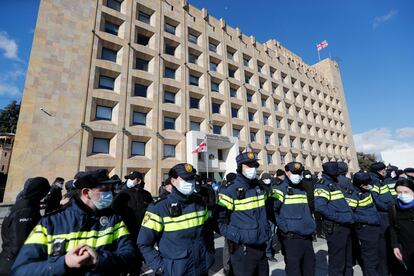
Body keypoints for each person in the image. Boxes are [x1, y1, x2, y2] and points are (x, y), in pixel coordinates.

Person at [11, 169, 136, 275]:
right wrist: (63, 263)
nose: (110, 194)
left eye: (111, 189)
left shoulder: (114, 220)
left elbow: (130, 257)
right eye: (105, 190)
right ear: (86, 193)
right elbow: (20, 270)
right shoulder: (50, 223)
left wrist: (99, 259)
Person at [137, 163, 215, 275]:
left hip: (201, 269)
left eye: (192, 178)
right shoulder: (159, 207)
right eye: (185, 179)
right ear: (173, 181)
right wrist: (161, 268)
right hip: (175, 271)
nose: (190, 182)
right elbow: (144, 243)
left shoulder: (200, 203)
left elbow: (208, 232)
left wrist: (209, 254)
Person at [216, 152, 271, 276]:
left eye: (254, 165)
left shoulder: (259, 188)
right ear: (240, 167)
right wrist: (236, 236)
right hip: (243, 250)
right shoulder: (229, 190)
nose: (253, 169)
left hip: (261, 247)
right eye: (249, 165)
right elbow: (218, 221)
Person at [272, 162, 316, 276]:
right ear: (286, 172)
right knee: (294, 271)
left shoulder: (303, 188)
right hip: (291, 238)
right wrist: (285, 228)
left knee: (309, 269)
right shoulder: (279, 189)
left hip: (307, 236)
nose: (297, 175)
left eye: (299, 172)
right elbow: (272, 211)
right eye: (294, 172)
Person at [0, 177, 50, 275]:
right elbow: (18, 242)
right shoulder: (25, 210)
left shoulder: (26, 204)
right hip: (14, 262)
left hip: (11, 259)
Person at [314, 162, 354, 276]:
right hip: (336, 227)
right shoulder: (322, 185)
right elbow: (321, 207)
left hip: (345, 225)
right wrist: (340, 218)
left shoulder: (335, 183)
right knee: (337, 264)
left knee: (348, 261)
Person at [112, 171, 153, 275]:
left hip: (142, 233)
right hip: (126, 233)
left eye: (131, 179)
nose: (128, 181)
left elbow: (152, 213)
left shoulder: (146, 195)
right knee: (126, 258)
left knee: (137, 261)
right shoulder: (123, 194)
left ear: (138, 180)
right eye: (128, 179)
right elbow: (115, 212)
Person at [345, 172, 381, 275]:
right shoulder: (352, 195)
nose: (369, 186)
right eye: (366, 184)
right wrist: (368, 219)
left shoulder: (365, 190)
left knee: (376, 255)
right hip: (366, 229)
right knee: (370, 258)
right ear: (360, 185)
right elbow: (350, 215)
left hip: (374, 225)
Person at [369, 162, 394, 275]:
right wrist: (389, 208)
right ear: (380, 171)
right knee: (383, 247)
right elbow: (376, 200)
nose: (385, 172)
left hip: (386, 214)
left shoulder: (379, 180)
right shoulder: (374, 181)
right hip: (382, 216)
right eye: (384, 170)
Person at [389, 178, 414, 275]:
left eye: (406, 192)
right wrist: (395, 246)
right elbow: (392, 228)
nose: (403, 195)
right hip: (406, 247)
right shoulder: (393, 207)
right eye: (399, 192)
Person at [260, 173, 277, 262]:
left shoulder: (272, 187)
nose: (268, 180)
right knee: (263, 235)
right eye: (266, 179)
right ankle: (263, 252)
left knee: (271, 235)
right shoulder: (259, 188)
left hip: (271, 215)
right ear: (262, 179)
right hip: (262, 216)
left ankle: (268, 253)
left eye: (269, 178)